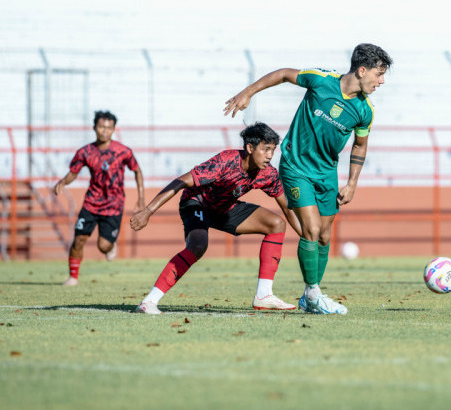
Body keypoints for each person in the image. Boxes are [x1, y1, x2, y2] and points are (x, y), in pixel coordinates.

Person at [223, 43, 393, 315]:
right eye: (379, 74)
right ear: (362, 70)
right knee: (311, 230)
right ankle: (314, 293)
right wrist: (248, 93)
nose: (382, 81)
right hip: (296, 166)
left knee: (324, 236)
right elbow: (283, 75)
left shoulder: (365, 111)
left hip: (326, 173)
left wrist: (352, 183)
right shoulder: (321, 80)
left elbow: (360, 146)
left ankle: (309, 297)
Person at [131, 122, 302, 314]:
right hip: (196, 203)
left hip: (224, 208)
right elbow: (180, 182)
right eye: (265, 149)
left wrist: (308, 238)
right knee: (198, 245)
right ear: (250, 148)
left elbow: (287, 208)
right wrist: (147, 211)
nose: (270, 156)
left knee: (276, 223)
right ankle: (149, 302)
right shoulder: (226, 161)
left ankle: (264, 295)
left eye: (273, 150)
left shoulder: (268, 173)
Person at [54, 110, 145, 286]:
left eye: (109, 128)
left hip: (114, 205)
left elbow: (137, 171)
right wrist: (63, 182)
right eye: (101, 127)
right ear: (94, 127)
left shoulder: (123, 151)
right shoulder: (85, 152)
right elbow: (73, 173)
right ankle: (73, 277)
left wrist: (141, 198)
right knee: (79, 239)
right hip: (91, 203)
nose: (104, 131)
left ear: (113, 130)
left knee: (103, 246)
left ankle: (111, 245)